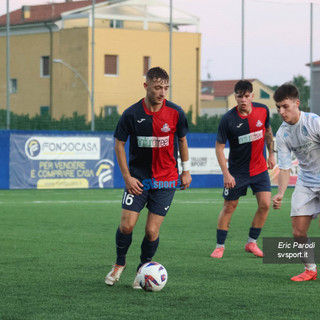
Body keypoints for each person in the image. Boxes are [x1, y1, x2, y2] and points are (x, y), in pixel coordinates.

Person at [105, 67, 192, 288]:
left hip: (165, 181)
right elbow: (119, 144)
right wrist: (127, 177)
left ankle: (143, 270)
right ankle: (119, 264)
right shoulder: (132, 114)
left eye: (166, 88)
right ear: (146, 87)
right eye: (157, 88)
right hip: (138, 181)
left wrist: (186, 170)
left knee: (152, 231)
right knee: (126, 226)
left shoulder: (176, 112)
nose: (162, 92)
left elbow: (182, 140)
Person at [211, 80, 275, 259]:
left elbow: (268, 132)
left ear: (252, 96)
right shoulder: (228, 119)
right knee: (229, 206)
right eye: (240, 96)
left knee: (265, 204)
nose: (243, 100)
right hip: (237, 173)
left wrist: (271, 154)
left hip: (260, 169)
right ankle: (220, 246)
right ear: (235, 97)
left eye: (247, 96)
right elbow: (219, 148)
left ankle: (251, 243)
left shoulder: (263, 110)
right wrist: (226, 173)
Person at [272, 82, 320, 281]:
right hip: (306, 182)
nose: (282, 112)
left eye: (285, 106)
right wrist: (281, 193)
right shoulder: (282, 134)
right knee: (298, 231)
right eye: (278, 108)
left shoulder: (314, 122)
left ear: (296, 103)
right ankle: (310, 270)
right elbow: (284, 168)